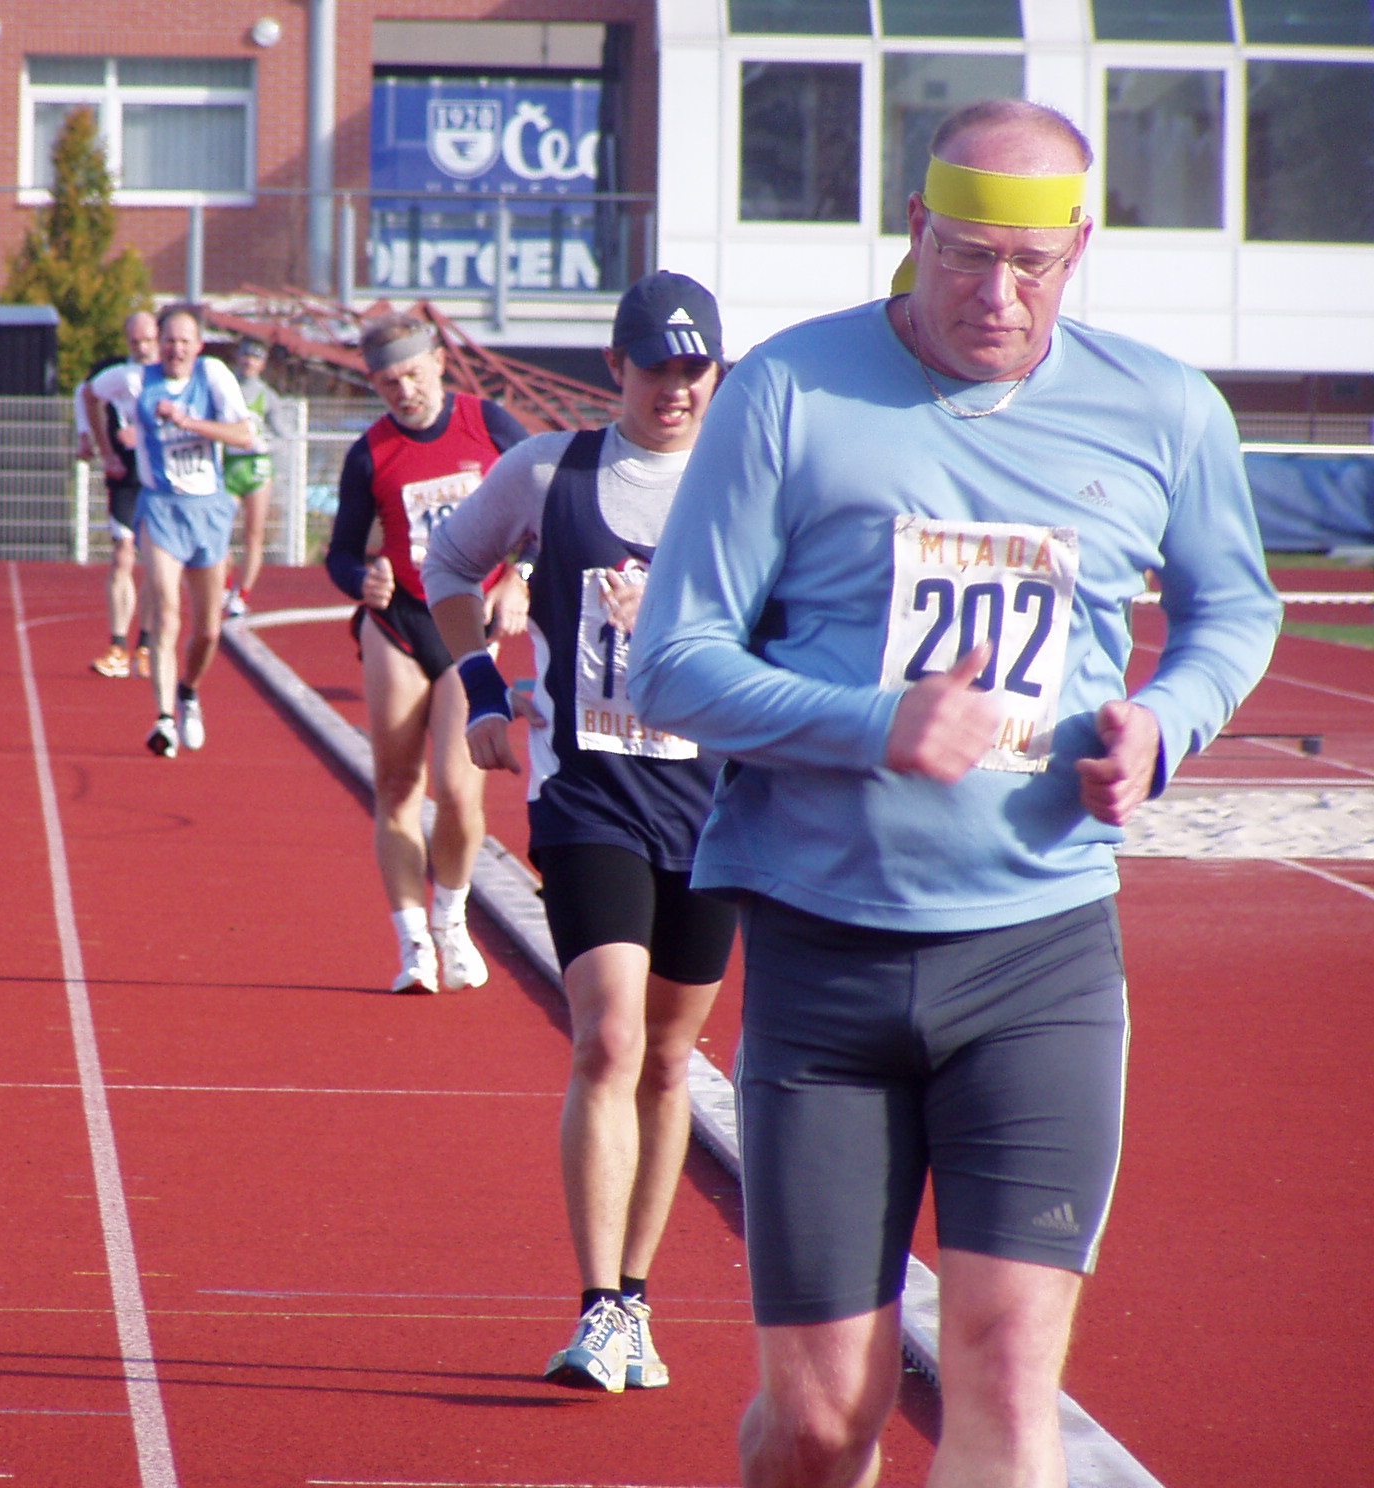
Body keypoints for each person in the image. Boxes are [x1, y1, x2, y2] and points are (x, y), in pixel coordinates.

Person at [626, 100, 1280, 1486]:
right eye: (969, 257)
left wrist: (1163, 724)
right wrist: (878, 725)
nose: (998, 295)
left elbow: (1234, 610)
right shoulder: (790, 391)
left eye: (1031, 265)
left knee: (1004, 1374)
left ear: (1077, 249)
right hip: (824, 955)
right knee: (821, 1421)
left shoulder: (1163, 408)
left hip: (1037, 957)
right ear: (915, 228)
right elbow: (672, 664)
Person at [424, 271, 735, 1394]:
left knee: (668, 1059)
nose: (675, 388)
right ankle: (600, 1306)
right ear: (616, 367)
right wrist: (482, 689)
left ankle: (637, 1303)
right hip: (586, 795)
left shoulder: (745, 482)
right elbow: (448, 563)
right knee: (606, 1038)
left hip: (711, 805)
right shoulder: (551, 473)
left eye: (694, 369)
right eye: (656, 367)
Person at [324, 313, 531, 993]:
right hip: (401, 623)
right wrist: (363, 580)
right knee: (395, 787)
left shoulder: (489, 425)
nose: (404, 391)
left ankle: (451, 918)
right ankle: (413, 943)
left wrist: (519, 580)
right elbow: (341, 553)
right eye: (387, 383)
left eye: (412, 375)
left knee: (459, 790)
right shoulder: (370, 454)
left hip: (468, 621)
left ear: (440, 362)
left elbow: (548, 509)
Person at [88, 304, 256, 757]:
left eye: (184, 341)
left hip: (208, 510)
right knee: (165, 612)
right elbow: (89, 393)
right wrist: (104, 447)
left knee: (209, 631)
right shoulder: (135, 380)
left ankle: (188, 692)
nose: (175, 349)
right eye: (168, 341)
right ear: (157, 344)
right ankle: (163, 719)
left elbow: (244, 435)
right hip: (160, 507)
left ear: (198, 345)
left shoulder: (213, 375)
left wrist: (188, 421)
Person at [81, 310, 159, 680]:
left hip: (161, 480)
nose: (142, 348)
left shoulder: (176, 377)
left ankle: (146, 647)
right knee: (123, 555)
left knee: (156, 563)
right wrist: (105, 450)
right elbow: (86, 395)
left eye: (148, 341)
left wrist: (143, 436)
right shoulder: (121, 375)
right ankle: (117, 646)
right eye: (135, 342)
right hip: (127, 476)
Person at [222, 335, 288, 617]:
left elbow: (283, 435)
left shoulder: (267, 396)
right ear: (238, 358)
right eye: (246, 355)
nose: (249, 362)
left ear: (263, 364)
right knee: (220, 531)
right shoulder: (225, 388)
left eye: (256, 357)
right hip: (229, 466)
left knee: (253, 534)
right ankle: (225, 586)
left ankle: (242, 594)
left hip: (257, 469)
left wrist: (265, 444)